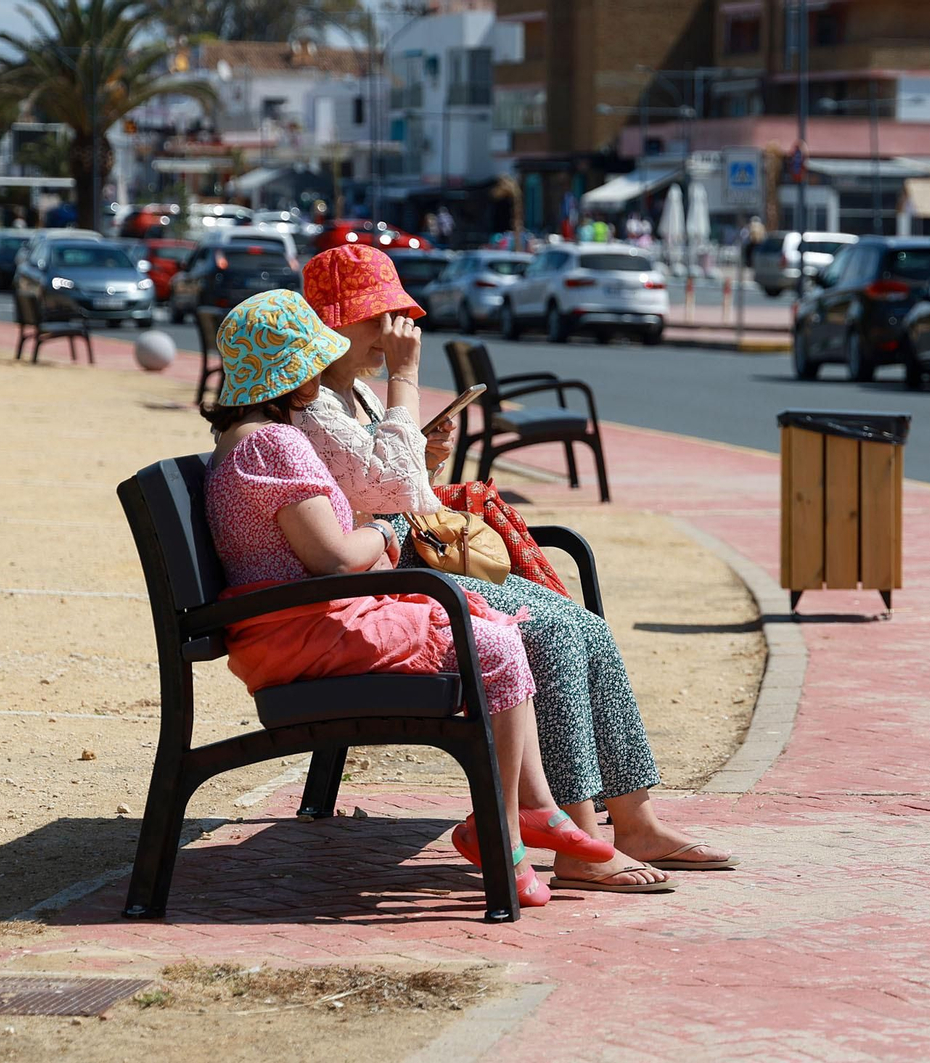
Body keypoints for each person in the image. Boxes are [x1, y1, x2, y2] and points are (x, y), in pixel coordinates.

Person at [296, 245, 739, 891]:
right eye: (379, 316)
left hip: (403, 557)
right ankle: (578, 838)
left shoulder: (354, 394)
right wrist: (407, 379)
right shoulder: (317, 406)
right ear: (329, 325)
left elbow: (396, 489)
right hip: (387, 578)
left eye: (399, 314)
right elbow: (385, 497)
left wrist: (427, 449)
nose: (395, 329)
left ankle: (634, 817)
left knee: (583, 625)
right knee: (551, 629)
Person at [201, 288, 620, 909]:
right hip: (305, 632)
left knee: (500, 629)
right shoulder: (275, 444)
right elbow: (335, 559)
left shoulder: (251, 439)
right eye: (314, 362)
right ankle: (504, 828)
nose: (323, 372)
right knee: (501, 644)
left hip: (299, 624)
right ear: (292, 372)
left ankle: (526, 811)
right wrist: (386, 531)